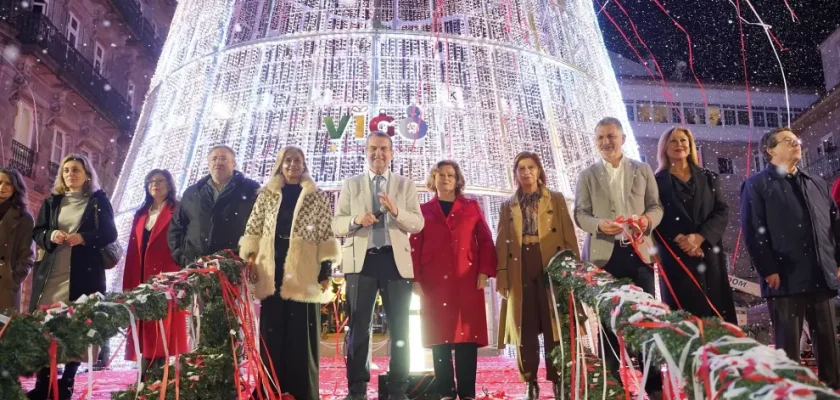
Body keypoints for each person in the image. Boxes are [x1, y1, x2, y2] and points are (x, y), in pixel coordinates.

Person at [741, 127, 840, 389]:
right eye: (788, 141)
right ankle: (788, 390)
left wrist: (838, 262)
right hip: (783, 276)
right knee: (788, 343)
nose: (796, 143)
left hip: (821, 271)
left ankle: (832, 387)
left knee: (828, 339)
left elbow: (835, 225)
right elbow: (753, 231)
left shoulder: (816, 182)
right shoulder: (757, 185)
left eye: (796, 140)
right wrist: (767, 268)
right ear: (770, 150)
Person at [239, 146, 341, 400]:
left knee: (301, 336)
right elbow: (254, 227)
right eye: (288, 160)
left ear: (304, 164)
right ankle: (271, 389)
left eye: (298, 160)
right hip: (271, 268)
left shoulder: (315, 196)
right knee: (272, 334)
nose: (293, 164)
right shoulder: (267, 195)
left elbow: (325, 234)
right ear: (280, 164)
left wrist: (325, 270)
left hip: (304, 270)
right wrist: (250, 259)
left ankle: (302, 391)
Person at [573, 117, 663, 397]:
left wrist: (647, 221)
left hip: (639, 256)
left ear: (623, 138)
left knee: (645, 321)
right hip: (604, 258)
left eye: (611, 136)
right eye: (600, 137)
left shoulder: (642, 169)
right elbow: (580, 214)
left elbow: (656, 206)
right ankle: (610, 386)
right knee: (608, 325)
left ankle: (654, 387)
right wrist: (599, 225)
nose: (605, 142)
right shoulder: (587, 175)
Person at [332, 131, 425, 400]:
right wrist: (356, 219)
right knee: (358, 328)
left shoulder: (405, 185)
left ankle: (397, 389)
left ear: (392, 153)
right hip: (361, 264)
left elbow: (418, 224)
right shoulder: (352, 184)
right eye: (373, 148)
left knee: (400, 328)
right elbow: (336, 224)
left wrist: (395, 211)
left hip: (395, 263)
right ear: (366, 152)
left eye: (384, 148)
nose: (378, 154)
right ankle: (357, 390)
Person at [28, 154, 118, 400]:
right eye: (66, 170)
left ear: (87, 174)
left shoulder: (99, 201)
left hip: (84, 274)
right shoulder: (51, 201)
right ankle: (44, 383)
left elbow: (110, 233)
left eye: (76, 170)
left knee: (78, 327)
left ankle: (67, 382)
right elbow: (37, 233)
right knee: (46, 326)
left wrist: (85, 237)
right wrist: (51, 234)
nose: (70, 174)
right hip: (52, 274)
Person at [495, 151, 579, 400]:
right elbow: (501, 243)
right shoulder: (507, 205)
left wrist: (571, 269)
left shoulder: (556, 199)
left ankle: (558, 379)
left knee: (554, 325)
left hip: (551, 263)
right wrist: (501, 275)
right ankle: (529, 381)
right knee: (525, 328)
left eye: (531, 167)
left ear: (539, 170)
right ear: (516, 173)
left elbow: (568, 236)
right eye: (521, 168)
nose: (526, 172)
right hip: (519, 265)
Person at [410, 160, 497, 400]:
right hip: (434, 281)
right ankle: (446, 392)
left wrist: (485, 270)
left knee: (466, 337)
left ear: (457, 180)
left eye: (450, 175)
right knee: (439, 334)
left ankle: (467, 393)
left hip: (467, 278)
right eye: (441, 175)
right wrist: (415, 279)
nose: (446, 179)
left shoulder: (471, 206)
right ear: (433, 179)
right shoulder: (423, 210)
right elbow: (414, 246)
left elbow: (486, 240)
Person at [653, 127, 737, 323]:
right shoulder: (656, 182)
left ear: (690, 147)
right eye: (673, 141)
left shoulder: (709, 177)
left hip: (708, 254)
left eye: (683, 140)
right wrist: (682, 240)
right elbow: (656, 215)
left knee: (715, 317)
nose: (679, 145)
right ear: (664, 148)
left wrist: (699, 238)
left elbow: (721, 211)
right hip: (676, 257)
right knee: (683, 320)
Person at [122, 169, 188, 381]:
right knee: (145, 328)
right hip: (141, 277)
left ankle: (155, 378)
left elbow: (181, 241)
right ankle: (147, 377)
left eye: (160, 181)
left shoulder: (177, 210)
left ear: (169, 185)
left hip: (166, 276)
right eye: (151, 181)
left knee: (162, 328)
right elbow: (133, 249)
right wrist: (129, 284)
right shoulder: (141, 213)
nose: (155, 185)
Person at [168, 145, 259, 267]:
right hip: (195, 266)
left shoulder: (250, 189)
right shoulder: (192, 193)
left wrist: (249, 258)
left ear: (233, 163)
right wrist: (181, 257)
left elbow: (259, 225)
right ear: (208, 164)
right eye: (214, 159)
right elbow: (176, 227)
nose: (218, 162)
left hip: (234, 266)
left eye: (223, 158)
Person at [0, 167, 34, 312]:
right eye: (0, 182)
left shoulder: (24, 218)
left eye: (8, 183)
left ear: (16, 188)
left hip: (4, 286)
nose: (2, 187)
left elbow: (27, 256)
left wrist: (12, 279)